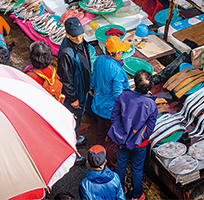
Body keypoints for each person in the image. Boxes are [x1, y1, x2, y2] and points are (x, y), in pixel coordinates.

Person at [109, 70, 158, 200]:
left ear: (135, 84)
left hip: (122, 140)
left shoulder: (123, 97)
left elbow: (114, 116)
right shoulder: (151, 104)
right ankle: (136, 195)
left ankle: (120, 189)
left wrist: (119, 132)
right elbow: (150, 127)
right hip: (140, 143)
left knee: (121, 165)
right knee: (137, 169)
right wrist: (141, 137)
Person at [91, 36, 131, 170]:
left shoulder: (99, 60)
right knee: (112, 140)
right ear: (115, 53)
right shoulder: (117, 70)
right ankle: (111, 165)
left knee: (100, 133)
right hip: (110, 111)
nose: (122, 54)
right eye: (121, 52)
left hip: (97, 105)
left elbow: (93, 80)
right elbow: (118, 95)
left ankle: (96, 158)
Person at [57, 16, 91, 164]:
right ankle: (72, 153)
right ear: (67, 35)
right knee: (73, 121)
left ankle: (75, 137)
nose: (79, 38)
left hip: (82, 88)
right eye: (75, 35)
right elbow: (66, 79)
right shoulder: (66, 52)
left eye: (80, 33)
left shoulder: (82, 43)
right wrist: (74, 98)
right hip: (75, 94)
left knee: (78, 119)